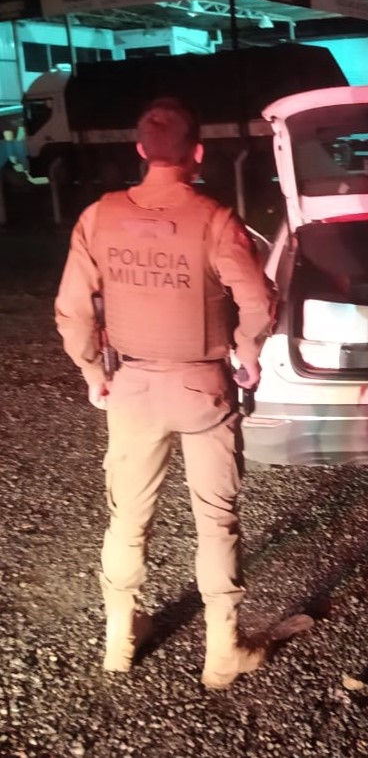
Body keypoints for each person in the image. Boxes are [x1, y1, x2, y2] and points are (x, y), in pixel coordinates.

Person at [55, 97, 275, 689]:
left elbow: (73, 310)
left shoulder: (98, 217)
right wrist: (248, 352)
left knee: (127, 517)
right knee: (217, 519)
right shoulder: (215, 220)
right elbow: (257, 301)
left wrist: (91, 372)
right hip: (203, 390)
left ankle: (120, 639)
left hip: (131, 388)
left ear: (140, 151)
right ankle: (222, 651)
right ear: (197, 153)